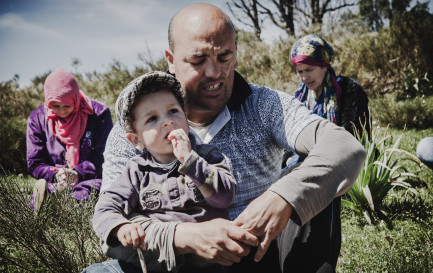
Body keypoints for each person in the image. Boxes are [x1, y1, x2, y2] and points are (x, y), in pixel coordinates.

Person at [83, 3, 366, 273]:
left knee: (317, 181)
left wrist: (284, 196)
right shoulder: (133, 131)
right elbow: (111, 223)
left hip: (258, 255)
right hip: (174, 262)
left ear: (237, 52)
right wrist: (185, 237)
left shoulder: (266, 106)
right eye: (198, 60)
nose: (214, 73)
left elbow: (344, 147)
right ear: (170, 60)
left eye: (224, 57)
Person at [92, 71, 236, 272]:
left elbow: (224, 196)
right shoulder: (136, 170)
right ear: (136, 140)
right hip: (159, 263)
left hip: (210, 264)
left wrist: (189, 160)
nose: (167, 121)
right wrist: (119, 226)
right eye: (152, 119)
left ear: (186, 118)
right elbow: (106, 207)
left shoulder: (206, 155)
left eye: (173, 111)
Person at [26, 67, 113, 214]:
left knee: (97, 189)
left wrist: (78, 173)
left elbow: (106, 156)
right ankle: (56, 203)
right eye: (55, 106)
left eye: (67, 105)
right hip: (55, 181)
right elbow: (35, 163)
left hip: (91, 178)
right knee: (47, 190)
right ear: (48, 102)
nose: (61, 111)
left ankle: (58, 206)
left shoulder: (99, 114)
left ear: (76, 99)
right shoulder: (37, 119)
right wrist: (56, 174)